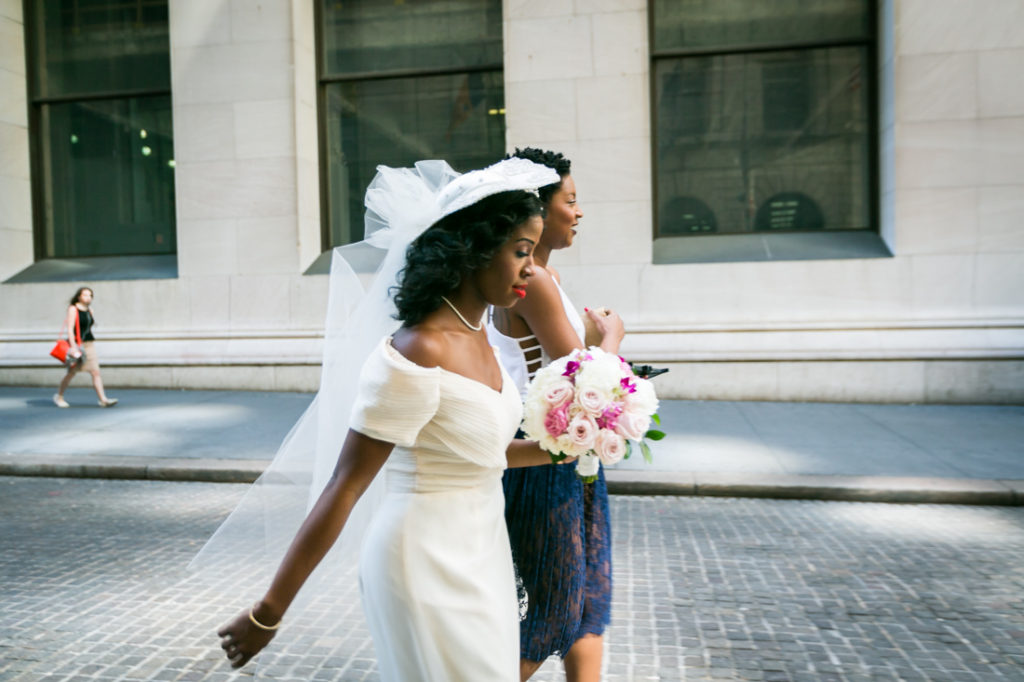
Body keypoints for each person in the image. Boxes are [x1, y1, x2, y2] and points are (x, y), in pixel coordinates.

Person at [214, 158, 569, 681]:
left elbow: (482, 451)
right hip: (421, 560)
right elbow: (345, 486)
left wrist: (566, 444)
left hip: (484, 553)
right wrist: (268, 613)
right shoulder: (417, 350)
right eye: (520, 251)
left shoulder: (481, 338)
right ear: (472, 249)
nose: (531, 269)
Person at [487, 148, 624, 682]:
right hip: (548, 460)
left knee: (586, 605)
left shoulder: (548, 278)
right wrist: (612, 337)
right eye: (570, 201)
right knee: (552, 612)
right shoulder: (535, 282)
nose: (579, 212)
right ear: (537, 212)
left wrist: (592, 338)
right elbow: (584, 379)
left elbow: (559, 357)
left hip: (574, 453)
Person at [54, 287, 118, 408]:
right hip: (78, 346)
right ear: (79, 296)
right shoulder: (73, 309)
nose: (88, 297)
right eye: (85, 295)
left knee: (95, 372)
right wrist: (73, 347)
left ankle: (103, 399)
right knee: (71, 373)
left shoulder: (90, 310)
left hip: (89, 345)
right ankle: (59, 396)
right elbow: (70, 329)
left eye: (90, 295)